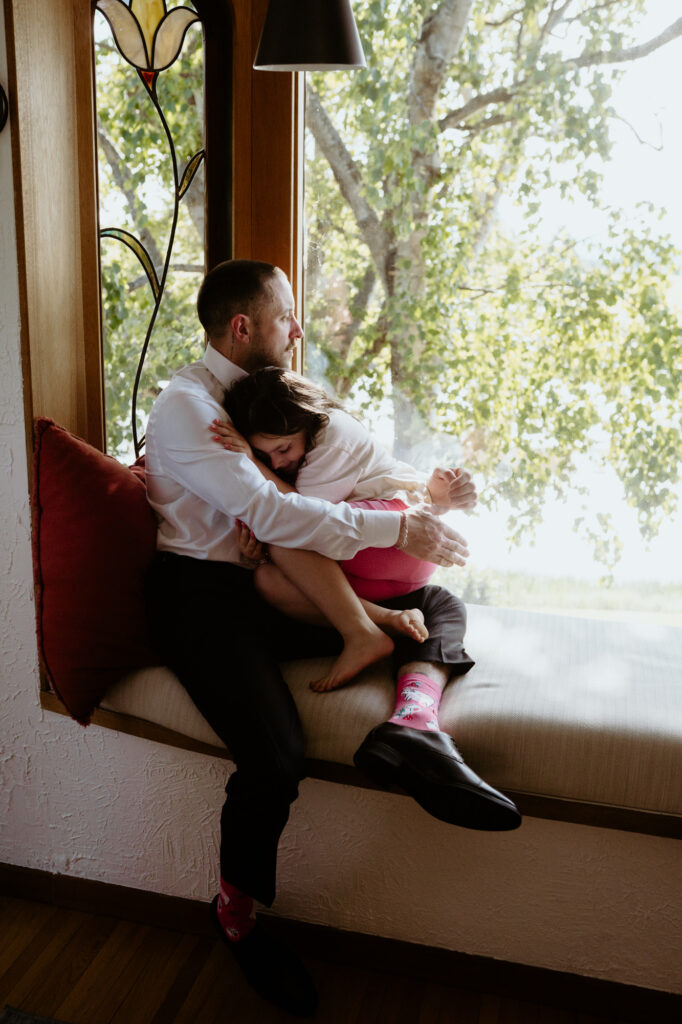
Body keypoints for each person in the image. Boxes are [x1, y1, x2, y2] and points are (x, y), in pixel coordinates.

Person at [144, 259, 521, 1018]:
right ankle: (234, 915)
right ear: (244, 327)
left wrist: (431, 492)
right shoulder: (189, 408)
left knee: (439, 602)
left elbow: (329, 480)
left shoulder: (263, 403)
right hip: (201, 601)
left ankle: (414, 727)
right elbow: (279, 516)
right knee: (277, 753)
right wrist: (401, 525)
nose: (299, 330)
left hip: (274, 582)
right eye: (288, 317)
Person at [212, 365, 474, 694]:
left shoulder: (331, 436)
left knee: (284, 537)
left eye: (283, 449)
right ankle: (385, 622)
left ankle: (359, 633)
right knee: (269, 581)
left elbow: (301, 519)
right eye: (267, 454)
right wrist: (256, 556)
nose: (277, 464)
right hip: (375, 565)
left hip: (404, 540)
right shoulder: (300, 446)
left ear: (304, 421)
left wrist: (252, 460)